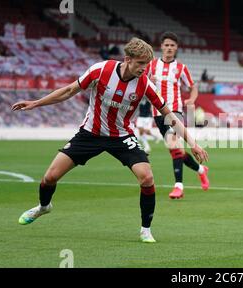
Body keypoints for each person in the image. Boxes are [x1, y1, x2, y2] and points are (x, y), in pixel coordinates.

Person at [11, 37, 208, 243]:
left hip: (121, 136)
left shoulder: (145, 84)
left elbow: (170, 115)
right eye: (140, 63)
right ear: (127, 59)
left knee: (147, 177)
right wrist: (36, 103)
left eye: (146, 64)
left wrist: (193, 144)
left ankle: (145, 229)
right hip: (90, 134)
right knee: (50, 177)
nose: (144, 69)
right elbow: (69, 91)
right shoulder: (100, 70)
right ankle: (44, 207)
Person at [145, 31, 209, 199]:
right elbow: (142, 83)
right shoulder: (151, 66)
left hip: (175, 111)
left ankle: (178, 186)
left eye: (172, 45)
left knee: (174, 147)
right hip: (157, 112)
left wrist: (192, 99)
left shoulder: (181, 68)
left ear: (176, 48)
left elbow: (193, 86)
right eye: (166, 45)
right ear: (161, 47)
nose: (169, 48)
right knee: (176, 150)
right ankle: (201, 170)